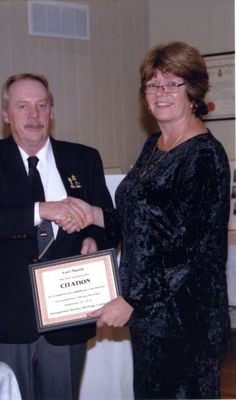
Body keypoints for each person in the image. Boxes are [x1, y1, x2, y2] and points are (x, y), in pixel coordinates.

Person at [60, 42, 231, 399]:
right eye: (153, 85)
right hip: (151, 317)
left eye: (172, 83)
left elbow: (190, 250)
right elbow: (139, 220)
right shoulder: (154, 144)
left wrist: (131, 299)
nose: (161, 93)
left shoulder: (205, 156)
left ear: (193, 91)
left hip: (186, 317)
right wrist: (95, 216)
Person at [0, 73, 116, 400]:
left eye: (41, 105)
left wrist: (94, 241)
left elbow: (112, 222)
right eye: (23, 106)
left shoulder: (84, 158)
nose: (34, 115)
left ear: (51, 111)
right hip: (8, 314)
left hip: (68, 314)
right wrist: (41, 210)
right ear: (6, 114)